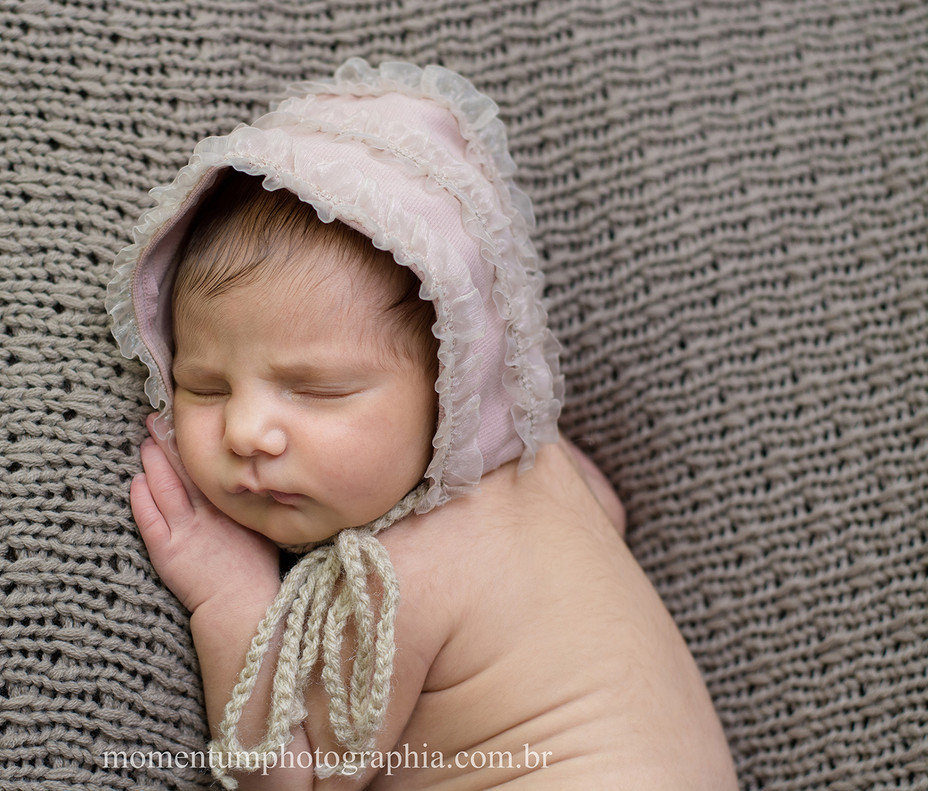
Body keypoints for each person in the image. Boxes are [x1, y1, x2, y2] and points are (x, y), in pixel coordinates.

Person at [106, 58, 737, 789]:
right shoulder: (558, 474)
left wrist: (232, 600)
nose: (246, 432)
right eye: (204, 386)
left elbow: (289, 781)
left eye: (320, 391)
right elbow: (609, 519)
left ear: (454, 387)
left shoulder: (393, 583)